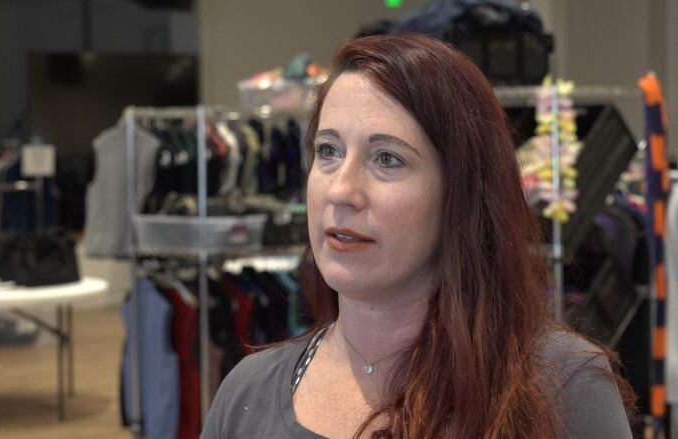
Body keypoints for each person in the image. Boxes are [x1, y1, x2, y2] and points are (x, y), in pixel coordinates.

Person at [201, 34, 634, 438]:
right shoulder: (247, 392)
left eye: (387, 158)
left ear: (461, 193)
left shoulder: (562, 384)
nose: (340, 190)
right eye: (328, 151)